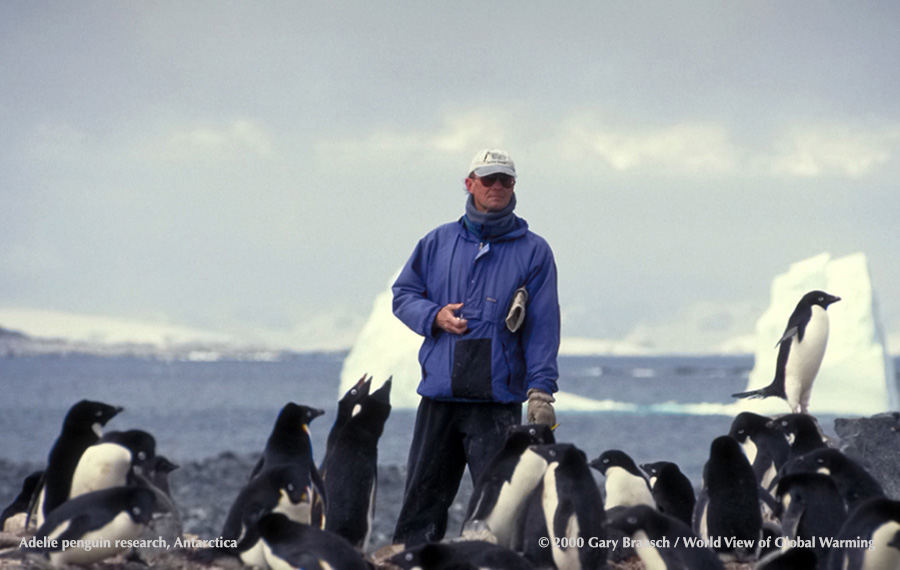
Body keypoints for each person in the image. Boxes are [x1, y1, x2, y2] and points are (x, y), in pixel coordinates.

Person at [391, 148, 561, 546]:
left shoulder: (534, 251)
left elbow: (543, 326)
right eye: (489, 179)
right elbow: (404, 294)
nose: (497, 187)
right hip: (441, 393)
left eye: (505, 179)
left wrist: (541, 390)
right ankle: (412, 559)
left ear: (514, 186)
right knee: (421, 503)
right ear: (470, 184)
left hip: (496, 399)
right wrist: (433, 316)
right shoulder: (436, 242)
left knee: (501, 506)